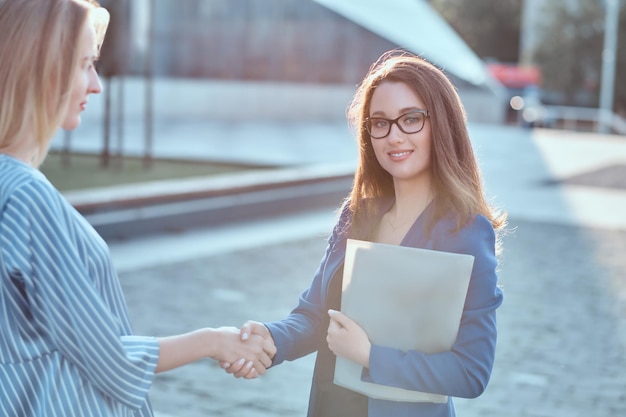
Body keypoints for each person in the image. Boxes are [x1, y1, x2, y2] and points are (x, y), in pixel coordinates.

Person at [0, 1, 274, 416]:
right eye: (85, 64)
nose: (96, 84)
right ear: (43, 69)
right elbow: (109, 360)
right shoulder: (26, 197)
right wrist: (213, 340)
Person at [223, 50, 507, 417]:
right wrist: (270, 338)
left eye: (411, 119)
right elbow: (315, 316)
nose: (394, 136)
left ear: (442, 124)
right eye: (380, 122)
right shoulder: (356, 215)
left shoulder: (465, 232)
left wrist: (370, 356)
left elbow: (471, 371)